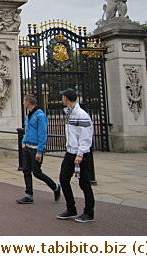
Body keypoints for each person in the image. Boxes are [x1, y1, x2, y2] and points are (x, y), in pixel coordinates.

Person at [56, 88, 95, 223]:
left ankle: (89, 212)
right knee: (63, 179)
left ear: (66, 98)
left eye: (63, 97)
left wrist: (80, 153)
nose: (61, 99)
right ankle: (71, 208)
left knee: (84, 183)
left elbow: (86, 137)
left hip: (80, 154)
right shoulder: (70, 113)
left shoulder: (81, 114)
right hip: (70, 152)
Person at [16, 94, 61, 204]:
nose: (23, 103)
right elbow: (27, 130)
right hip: (27, 147)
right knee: (26, 170)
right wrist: (23, 142)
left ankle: (55, 187)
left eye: (24, 101)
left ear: (28, 102)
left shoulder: (40, 116)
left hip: (36, 149)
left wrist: (40, 151)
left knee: (37, 172)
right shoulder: (29, 115)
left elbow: (42, 134)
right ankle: (29, 195)